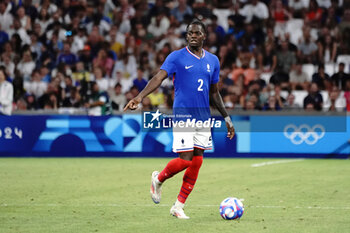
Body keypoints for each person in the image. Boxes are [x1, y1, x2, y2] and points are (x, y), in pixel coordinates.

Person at [124, 20, 235, 219]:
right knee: (185, 160)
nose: (193, 35)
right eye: (190, 33)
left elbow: (214, 92)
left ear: (204, 36)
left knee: (197, 161)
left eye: (197, 33)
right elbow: (158, 77)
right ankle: (158, 179)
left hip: (203, 118)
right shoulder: (176, 57)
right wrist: (140, 97)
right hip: (184, 115)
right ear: (187, 36)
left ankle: (178, 206)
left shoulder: (213, 61)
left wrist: (226, 117)